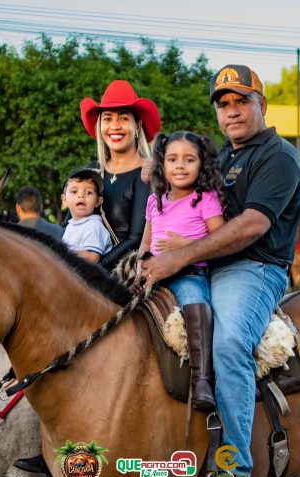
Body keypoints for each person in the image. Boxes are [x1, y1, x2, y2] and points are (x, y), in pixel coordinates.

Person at [141, 64, 300, 477]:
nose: (232, 112)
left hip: (253, 268)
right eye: (223, 104)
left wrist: (178, 258)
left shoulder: (278, 156)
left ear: (262, 104)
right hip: (203, 265)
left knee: (229, 344)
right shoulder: (223, 155)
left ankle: (233, 470)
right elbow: (179, 174)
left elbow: (252, 225)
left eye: (241, 101)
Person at [139, 131, 225, 410]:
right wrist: (138, 263)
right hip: (154, 273)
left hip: (189, 273)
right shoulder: (156, 199)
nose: (180, 166)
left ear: (201, 165)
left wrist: (184, 245)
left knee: (196, 302)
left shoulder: (205, 198)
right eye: (173, 159)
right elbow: (146, 240)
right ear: (161, 165)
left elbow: (221, 239)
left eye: (189, 160)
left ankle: (202, 379)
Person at [79, 80, 160, 270]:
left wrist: (97, 269)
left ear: (138, 125)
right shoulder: (92, 171)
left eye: (123, 118)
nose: (115, 126)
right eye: (107, 119)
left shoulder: (146, 174)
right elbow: (69, 222)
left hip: (122, 271)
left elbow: (135, 238)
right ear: (100, 126)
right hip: (80, 268)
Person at [61, 168, 112, 263]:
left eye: (89, 192)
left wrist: (62, 254)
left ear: (98, 201)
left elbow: (92, 258)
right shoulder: (70, 226)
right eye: (74, 191)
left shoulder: (93, 225)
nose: (81, 195)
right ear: (64, 200)